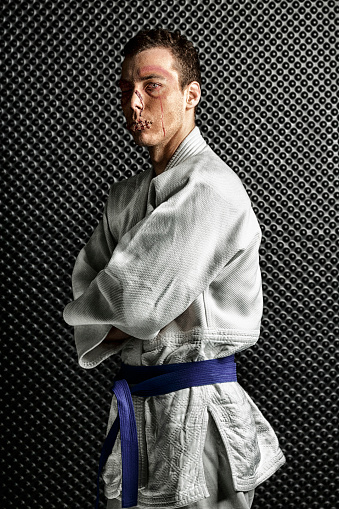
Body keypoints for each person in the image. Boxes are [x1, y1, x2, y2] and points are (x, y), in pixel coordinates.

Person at [63, 28, 285, 509]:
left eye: (152, 85)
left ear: (191, 95)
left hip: (199, 414)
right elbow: (89, 295)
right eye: (126, 89)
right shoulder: (123, 196)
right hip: (138, 413)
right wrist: (118, 310)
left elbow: (133, 303)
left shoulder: (210, 188)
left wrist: (117, 312)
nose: (134, 101)